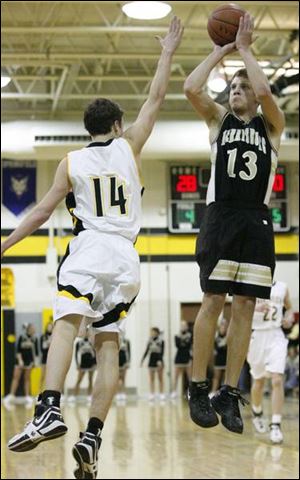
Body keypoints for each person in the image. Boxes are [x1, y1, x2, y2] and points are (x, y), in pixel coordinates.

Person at [2, 16, 183, 479]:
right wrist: (166, 52)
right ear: (118, 126)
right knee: (108, 345)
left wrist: (5, 245)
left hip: (90, 249)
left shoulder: (71, 161)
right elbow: (157, 98)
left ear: (88, 128)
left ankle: (48, 409)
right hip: (127, 258)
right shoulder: (131, 146)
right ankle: (93, 436)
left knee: (65, 324)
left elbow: (40, 213)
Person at [184, 12, 285, 434]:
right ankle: (197, 385)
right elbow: (191, 87)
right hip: (222, 216)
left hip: (257, 221)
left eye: (245, 86)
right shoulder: (218, 121)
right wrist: (220, 49)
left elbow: (264, 90)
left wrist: (245, 51)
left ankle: (229, 392)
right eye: (234, 87)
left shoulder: (272, 126)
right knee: (213, 301)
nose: (241, 90)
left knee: (244, 304)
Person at [247, 281, 294, 443]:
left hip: (276, 335)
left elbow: (290, 309)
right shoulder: (250, 284)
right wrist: (254, 308)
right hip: (256, 335)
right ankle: (257, 412)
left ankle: (276, 425)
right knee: (258, 381)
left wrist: (289, 317)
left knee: (277, 379)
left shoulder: (282, 287)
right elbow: (236, 308)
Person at [3, 323, 39, 409]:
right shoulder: (22, 337)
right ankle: (11, 395)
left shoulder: (35, 339)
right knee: (16, 378)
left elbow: (36, 352)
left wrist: (35, 362)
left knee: (27, 378)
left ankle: (27, 396)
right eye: (32, 328)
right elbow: (18, 351)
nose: (34, 330)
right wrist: (20, 360)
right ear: (28, 329)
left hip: (29, 361)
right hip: (20, 361)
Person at [68, 325, 96, 404]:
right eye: (85, 332)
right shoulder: (79, 343)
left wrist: (95, 363)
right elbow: (76, 354)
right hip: (83, 364)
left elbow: (95, 353)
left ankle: (89, 396)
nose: (86, 333)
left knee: (90, 380)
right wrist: (77, 364)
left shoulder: (92, 342)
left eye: (88, 332)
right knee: (79, 380)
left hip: (91, 363)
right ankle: (74, 396)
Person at [140, 327, 165, 401]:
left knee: (160, 378)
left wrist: (160, 360)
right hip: (151, 360)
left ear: (157, 332)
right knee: (151, 379)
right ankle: (152, 394)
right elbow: (146, 351)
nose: (151, 333)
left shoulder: (161, 341)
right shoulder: (149, 341)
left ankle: (161, 393)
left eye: (153, 332)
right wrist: (142, 361)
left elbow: (162, 351)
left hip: (159, 360)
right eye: (151, 332)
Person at [171, 320, 192, 398]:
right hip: (179, 357)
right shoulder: (177, 336)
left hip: (187, 356)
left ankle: (190, 392)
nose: (183, 327)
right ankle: (174, 392)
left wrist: (183, 343)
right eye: (181, 325)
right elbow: (178, 345)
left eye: (184, 325)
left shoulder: (190, 335)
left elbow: (188, 345)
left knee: (189, 376)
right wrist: (183, 342)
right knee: (176, 376)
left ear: (187, 326)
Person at [210, 317, 228, 396]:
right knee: (216, 377)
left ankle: (226, 393)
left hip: (227, 359)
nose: (223, 327)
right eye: (222, 325)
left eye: (225, 325)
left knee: (226, 378)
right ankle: (213, 391)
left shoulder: (229, 336)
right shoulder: (216, 336)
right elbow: (217, 348)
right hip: (219, 359)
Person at [116, 332, 131, 402]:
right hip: (117, 361)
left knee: (123, 378)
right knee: (118, 378)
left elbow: (129, 352)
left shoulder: (127, 341)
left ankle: (123, 393)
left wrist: (128, 362)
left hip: (124, 361)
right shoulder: (115, 340)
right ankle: (118, 393)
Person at [39, 321, 53, 391]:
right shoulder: (43, 337)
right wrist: (47, 344)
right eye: (48, 327)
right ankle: (40, 392)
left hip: (53, 358)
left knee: (53, 376)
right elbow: (42, 348)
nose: (50, 328)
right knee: (43, 376)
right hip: (45, 357)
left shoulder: (55, 336)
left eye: (51, 327)